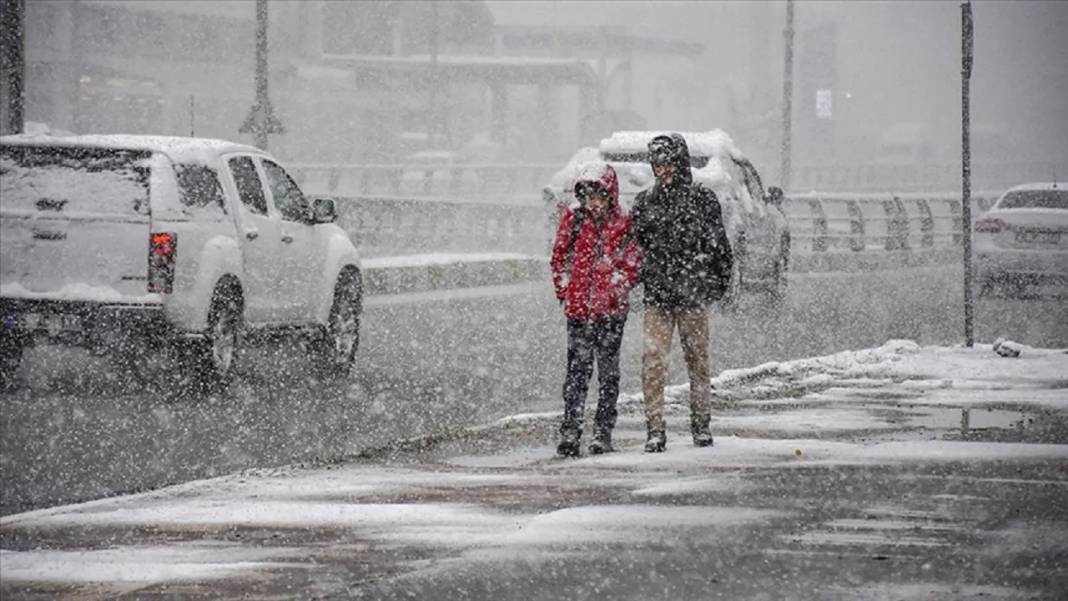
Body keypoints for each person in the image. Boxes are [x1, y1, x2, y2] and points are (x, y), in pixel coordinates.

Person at [630, 133, 733, 452]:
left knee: (697, 360)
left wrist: (715, 285)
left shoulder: (702, 199)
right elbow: (636, 247)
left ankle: (700, 424)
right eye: (658, 164)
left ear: (680, 162)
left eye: (668, 163)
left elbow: (719, 246)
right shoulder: (645, 202)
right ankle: (655, 428)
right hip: (659, 295)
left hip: (690, 295)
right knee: (653, 361)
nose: (663, 170)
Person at [550, 162, 640, 457]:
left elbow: (632, 264)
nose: (594, 203)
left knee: (608, 373)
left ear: (610, 195)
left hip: (611, 313)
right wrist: (566, 289)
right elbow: (559, 257)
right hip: (578, 312)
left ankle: (603, 431)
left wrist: (614, 289)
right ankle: (571, 429)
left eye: (599, 196)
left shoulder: (624, 223)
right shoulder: (574, 220)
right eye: (588, 196)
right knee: (576, 373)